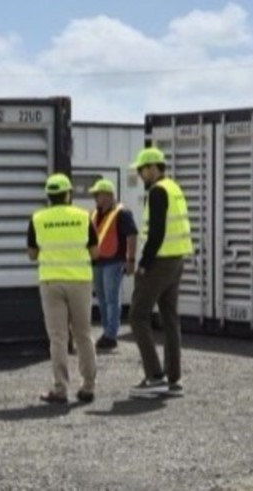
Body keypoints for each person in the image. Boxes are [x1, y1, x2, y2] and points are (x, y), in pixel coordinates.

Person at [27, 173, 99, 404]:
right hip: (80, 281)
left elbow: (32, 254)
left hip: (51, 282)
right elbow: (95, 252)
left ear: (48, 195)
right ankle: (88, 387)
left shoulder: (37, 219)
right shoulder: (83, 216)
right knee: (83, 334)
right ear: (68, 193)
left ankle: (60, 389)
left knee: (58, 337)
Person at [127, 147, 192, 399]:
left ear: (153, 168)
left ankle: (154, 377)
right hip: (177, 259)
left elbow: (156, 233)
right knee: (170, 317)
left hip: (160, 261)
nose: (141, 175)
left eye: (142, 170)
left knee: (137, 315)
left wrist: (143, 263)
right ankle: (173, 378)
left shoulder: (157, 192)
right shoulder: (174, 188)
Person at [88, 178, 139, 351]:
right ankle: (106, 331)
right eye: (94, 195)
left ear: (109, 195)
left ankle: (111, 335)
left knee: (111, 298)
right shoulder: (94, 213)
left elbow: (132, 236)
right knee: (102, 298)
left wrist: (131, 260)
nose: (95, 197)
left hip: (114, 262)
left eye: (98, 194)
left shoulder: (122, 213)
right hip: (97, 262)